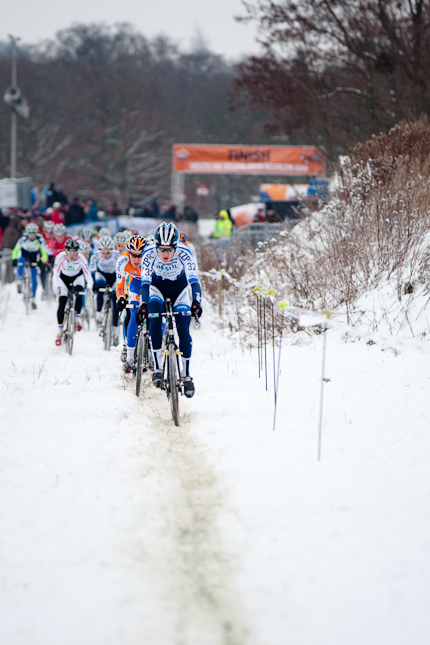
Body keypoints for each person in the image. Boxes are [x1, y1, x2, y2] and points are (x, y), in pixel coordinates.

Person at [137, 222, 202, 398]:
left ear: (176, 246)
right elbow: (145, 284)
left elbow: (194, 281)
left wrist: (196, 302)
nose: (165, 254)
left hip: (179, 291)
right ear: (156, 246)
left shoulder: (185, 252)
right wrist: (143, 304)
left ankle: (186, 375)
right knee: (154, 319)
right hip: (157, 290)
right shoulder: (148, 254)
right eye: (161, 249)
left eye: (169, 249)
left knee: (184, 331)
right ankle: (158, 368)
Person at [53, 238, 93, 345]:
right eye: (70, 252)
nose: (72, 255)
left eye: (74, 252)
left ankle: (77, 319)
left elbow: (88, 275)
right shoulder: (60, 257)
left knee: (78, 293)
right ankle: (59, 332)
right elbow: (55, 274)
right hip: (63, 279)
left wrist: (89, 287)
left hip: (77, 278)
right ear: (66, 251)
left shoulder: (81, 258)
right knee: (62, 302)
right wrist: (56, 287)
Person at [116, 235, 146, 372]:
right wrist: (121, 297)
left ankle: (153, 355)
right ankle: (129, 359)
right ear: (128, 253)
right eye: (133, 255)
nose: (136, 259)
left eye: (140, 255)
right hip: (135, 283)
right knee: (133, 313)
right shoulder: (122, 260)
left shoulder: (150, 259)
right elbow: (120, 285)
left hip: (150, 284)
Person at [90, 235, 120, 345]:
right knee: (100, 287)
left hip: (114, 276)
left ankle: (116, 331)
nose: (106, 255)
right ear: (99, 250)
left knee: (115, 301)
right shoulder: (95, 256)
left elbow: (122, 273)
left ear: (112, 250)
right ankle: (98, 314)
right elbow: (92, 272)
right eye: (103, 253)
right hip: (101, 275)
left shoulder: (117, 255)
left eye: (108, 253)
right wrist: (93, 284)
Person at [12, 223, 48, 308]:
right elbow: (16, 250)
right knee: (20, 262)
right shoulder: (23, 238)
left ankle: (33, 299)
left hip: (33, 256)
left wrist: (41, 261)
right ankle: (19, 281)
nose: (31, 236)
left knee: (34, 277)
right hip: (24, 254)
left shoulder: (40, 239)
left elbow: (44, 252)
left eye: (33, 234)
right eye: (30, 234)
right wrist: (14, 259)